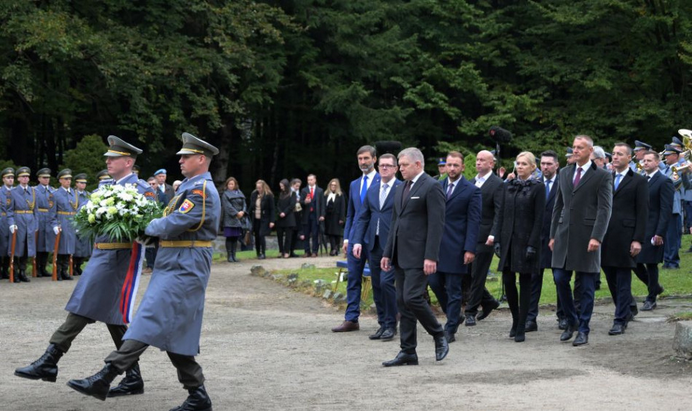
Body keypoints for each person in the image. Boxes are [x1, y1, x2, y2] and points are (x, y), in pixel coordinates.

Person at [66, 132, 220, 411]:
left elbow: (174, 222)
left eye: (186, 156)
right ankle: (197, 395)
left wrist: (141, 226)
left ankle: (107, 375)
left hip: (186, 265)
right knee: (174, 331)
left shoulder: (201, 190)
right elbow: (168, 223)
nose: (181, 160)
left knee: (149, 319)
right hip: (176, 261)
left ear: (201, 159)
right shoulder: (189, 186)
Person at [14, 136, 154, 397]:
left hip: (120, 260)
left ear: (128, 161)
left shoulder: (142, 189)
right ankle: (133, 377)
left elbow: (145, 227)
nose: (107, 161)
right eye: (107, 158)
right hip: (100, 256)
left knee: (82, 306)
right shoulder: (105, 188)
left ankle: (50, 359)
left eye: (113, 158)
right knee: (114, 318)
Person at [381, 147, 448, 366]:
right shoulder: (402, 188)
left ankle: (438, 333)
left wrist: (431, 256)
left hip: (420, 255)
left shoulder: (432, 186)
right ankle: (408, 351)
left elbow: (437, 224)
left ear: (418, 164)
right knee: (402, 302)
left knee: (412, 297)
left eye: (404, 165)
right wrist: (387, 253)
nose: (400, 169)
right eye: (399, 165)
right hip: (400, 254)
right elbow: (395, 222)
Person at [550, 135, 613, 347]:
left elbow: (605, 209)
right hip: (564, 234)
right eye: (574, 147)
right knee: (559, 278)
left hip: (588, 237)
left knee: (586, 285)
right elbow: (558, 205)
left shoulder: (602, 176)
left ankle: (583, 328)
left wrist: (597, 236)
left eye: (580, 147)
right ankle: (571, 320)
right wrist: (552, 234)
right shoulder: (565, 173)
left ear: (590, 151)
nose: (575, 150)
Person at [428, 151, 480, 343]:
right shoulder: (437, 186)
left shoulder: (471, 190)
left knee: (453, 288)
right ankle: (455, 314)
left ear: (463, 167)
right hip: (437, 246)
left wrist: (470, 248)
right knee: (434, 282)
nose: (451, 168)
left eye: (455, 165)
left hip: (457, 247)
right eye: (449, 165)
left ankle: (450, 328)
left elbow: (474, 221)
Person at [351, 153, 402, 341]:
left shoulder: (401, 189)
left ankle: (392, 323)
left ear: (396, 168)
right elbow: (363, 216)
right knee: (376, 285)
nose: (385, 168)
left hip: (393, 245)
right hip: (373, 243)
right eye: (382, 165)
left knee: (386, 282)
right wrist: (357, 240)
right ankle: (383, 323)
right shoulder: (372, 190)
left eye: (389, 165)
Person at [496, 152, 545, 342]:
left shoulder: (538, 188)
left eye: (524, 164)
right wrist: (498, 239)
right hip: (509, 239)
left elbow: (539, 218)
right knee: (508, 280)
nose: (520, 166)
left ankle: (523, 324)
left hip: (526, 241)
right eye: (518, 163)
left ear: (533, 167)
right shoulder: (509, 186)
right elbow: (501, 214)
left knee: (525, 282)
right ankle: (516, 319)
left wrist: (533, 244)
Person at [601, 143, 648, 335]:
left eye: (620, 154)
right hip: (605, 236)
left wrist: (638, 239)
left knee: (622, 277)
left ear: (630, 158)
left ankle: (620, 319)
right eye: (613, 154)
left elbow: (643, 212)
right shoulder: (606, 178)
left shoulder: (638, 181)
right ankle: (627, 306)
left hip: (626, 236)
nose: (615, 157)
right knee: (610, 276)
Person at [333, 146, 379, 332]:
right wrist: (347, 238)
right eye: (360, 158)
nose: (363, 162)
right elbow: (351, 214)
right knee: (353, 278)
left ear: (374, 159)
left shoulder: (383, 181)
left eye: (366, 158)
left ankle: (387, 318)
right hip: (355, 239)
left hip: (375, 238)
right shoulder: (354, 184)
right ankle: (351, 318)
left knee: (379, 279)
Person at [465, 150, 503, 325]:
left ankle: (471, 311)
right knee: (465, 273)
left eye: (482, 160)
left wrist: (493, 234)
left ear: (491, 164)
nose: (478, 162)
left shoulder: (497, 184)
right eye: (477, 159)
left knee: (478, 274)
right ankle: (488, 301)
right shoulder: (472, 182)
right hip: (469, 235)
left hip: (486, 235)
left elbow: (499, 211)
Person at [526, 150, 561, 332]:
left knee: (559, 279)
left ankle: (562, 315)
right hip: (537, 238)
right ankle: (531, 318)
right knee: (533, 279)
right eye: (543, 164)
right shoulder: (534, 183)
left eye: (549, 164)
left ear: (556, 165)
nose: (545, 167)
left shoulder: (564, 184)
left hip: (556, 238)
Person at [633, 151, 673, 311]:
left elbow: (665, 209)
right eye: (644, 160)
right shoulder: (641, 180)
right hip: (639, 228)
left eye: (649, 160)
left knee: (650, 263)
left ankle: (651, 298)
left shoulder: (664, 181)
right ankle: (654, 287)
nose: (645, 163)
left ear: (657, 162)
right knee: (633, 262)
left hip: (654, 228)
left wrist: (660, 233)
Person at [7, 166, 39, 283]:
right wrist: (11, 223)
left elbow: (36, 211)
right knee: (17, 248)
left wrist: (36, 224)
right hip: (18, 220)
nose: (25, 178)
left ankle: (22, 271)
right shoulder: (13, 192)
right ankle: (14, 272)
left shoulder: (33, 192)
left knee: (26, 247)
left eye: (27, 176)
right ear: (19, 179)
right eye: (23, 176)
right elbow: (9, 210)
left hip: (29, 221)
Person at [48, 169, 78, 281]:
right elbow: (52, 212)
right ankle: (58, 270)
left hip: (71, 222)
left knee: (69, 247)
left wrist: (78, 224)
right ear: (60, 180)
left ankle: (65, 270)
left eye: (69, 179)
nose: (68, 181)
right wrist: (54, 224)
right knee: (60, 248)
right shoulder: (55, 194)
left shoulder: (74, 194)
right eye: (66, 179)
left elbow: (77, 210)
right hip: (62, 221)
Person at [661, 145, 688, 269]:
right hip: (664, 206)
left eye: (668, 154)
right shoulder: (667, 169)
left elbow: (672, 183)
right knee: (665, 235)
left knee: (672, 236)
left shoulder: (678, 169)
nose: (665, 157)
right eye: (665, 154)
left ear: (676, 156)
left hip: (673, 206)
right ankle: (667, 260)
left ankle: (673, 262)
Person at [35, 167, 56, 278]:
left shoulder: (53, 190)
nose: (47, 179)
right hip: (40, 216)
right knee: (39, 243)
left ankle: (43, 267)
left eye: (48, 177)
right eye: (44, 177)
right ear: (39, 179)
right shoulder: (35, 190)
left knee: (48, 243)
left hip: (49, 217)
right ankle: (37, 267)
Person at [221, 176, 246, 262]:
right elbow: (227, 206)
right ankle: (229, 255)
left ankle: (234, 255)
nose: (231, 185)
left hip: (239, 219)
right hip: (230, 218)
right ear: (227, 185)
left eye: (232, 184)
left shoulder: (239, 193)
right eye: (229, 184)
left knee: (235, 237)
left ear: (235, 185)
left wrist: (243, 211)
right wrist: (236, 213)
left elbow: (244, 203)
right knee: (229, 237)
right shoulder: (225, 194)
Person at [300, 174, 325, 257]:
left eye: (311, 179)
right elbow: (300, 202)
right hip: (306, 215)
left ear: (315, 180)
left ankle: (315, 251)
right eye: (308, 180)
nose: (309, 181)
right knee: (306, 234)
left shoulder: (320, 191)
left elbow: (322, 204)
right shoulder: (304, 190)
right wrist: (305, 202)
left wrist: (322, 215)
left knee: (315, 234)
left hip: (316, 215)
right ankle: (307, 251)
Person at [250, 179, 275, 259]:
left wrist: (272, 220)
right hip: (256, 218)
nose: (258, 189)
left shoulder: (268, 195)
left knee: (261, 235)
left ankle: (263, 253)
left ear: (263, 187)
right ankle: (258, 252)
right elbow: (251, 206)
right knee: (256, 235)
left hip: (264, 218)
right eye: (257, 187)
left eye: (260, 188)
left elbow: (272, 209)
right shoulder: (254, 194)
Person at [72, 173, 92, 275]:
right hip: (74, 221)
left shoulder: (88, 195)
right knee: (76, 246)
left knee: (84, 246)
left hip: (84, 222)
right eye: (81, 183)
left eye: (84, 183)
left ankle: (79, 265)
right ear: (76, 184)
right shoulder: (72, 194)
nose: (83, 185)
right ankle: (73, 266)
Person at [275, 179, 297, 259]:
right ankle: (281, 251)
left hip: (289, 217)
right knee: (279, 235)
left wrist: (285, 212)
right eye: (280, 186)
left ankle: (287, 251)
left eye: (282, 186)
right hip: (281, 218)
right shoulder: (281, 194)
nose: (281, 187)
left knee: (288, 236)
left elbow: (292, 205)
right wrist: (280, 212)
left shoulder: (292, 194)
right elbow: (278, 205)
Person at [324, 178, 346, 256]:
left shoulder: (340, 195)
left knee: (336, 234)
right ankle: (334, 248)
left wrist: (341, 218)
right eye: (332, 185)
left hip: (337, 217)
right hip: (328, 217)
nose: (333, 186)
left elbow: (343, 207)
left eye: (334, 185)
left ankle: (335, 248)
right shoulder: (326, 194)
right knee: (330, 233)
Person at [0, 167, 14, 280]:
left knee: (11, 245)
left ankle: (7, 269)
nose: (11, 180)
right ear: (3, 179)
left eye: (12, 178)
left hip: (13, 221)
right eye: (8, 178)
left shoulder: (16, 192)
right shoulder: (0, 192)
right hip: (2, 220)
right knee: (2, 245)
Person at [289, 178, 302, 257]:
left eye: (299, 186)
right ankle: (288, 250)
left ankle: (292, 250)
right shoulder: (289, 193)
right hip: (291, 215)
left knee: (295, 233)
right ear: (292, 185)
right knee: (290, 233)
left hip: (297, 215)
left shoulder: (298, 193)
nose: (297, 188)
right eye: (296, 186)